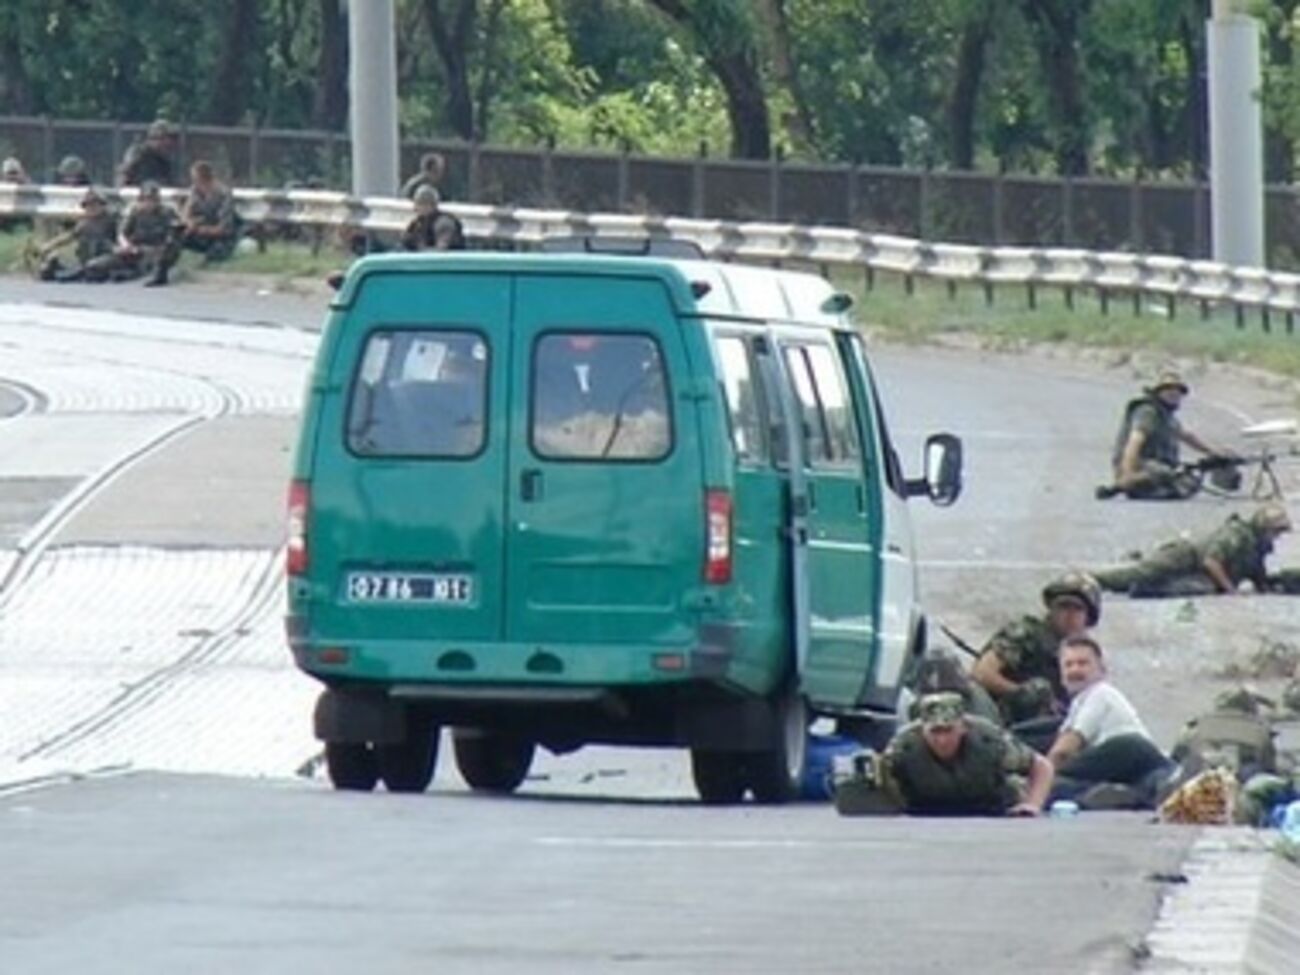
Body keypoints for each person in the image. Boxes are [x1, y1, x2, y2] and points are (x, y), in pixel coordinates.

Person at [1045, 636, 1173, 809]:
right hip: (1139, 773)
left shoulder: (1100, 693)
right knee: (1065, 787)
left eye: (1083, 663)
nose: (1075, 670)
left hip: (1129, 749)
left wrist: (1038, 777)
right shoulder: (1078, 704)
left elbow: (1063, 751)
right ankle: (1127, 794)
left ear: (1101, 670)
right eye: (1068, 665)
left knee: (1050, 782)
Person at [879, 692, 1054, 817]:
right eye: (935, 732)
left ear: (963, 727)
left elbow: (1041, 766)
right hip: (925, 811)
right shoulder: (904, 746)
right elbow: (882, 778)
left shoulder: (988, 740)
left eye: (948, 730)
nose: (942, 740)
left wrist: (1032, 805)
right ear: (922, 730)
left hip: (990, 809)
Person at [969, 572, 1102, 725]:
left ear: (1088, 617)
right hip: (1007, 721)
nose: (1069, 615)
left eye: (1078, 609)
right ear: (1052, 609)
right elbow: (982, 673)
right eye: (1063, 606)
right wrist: (1023, 693)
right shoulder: (1029, 633)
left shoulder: (1083, 651)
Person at [1093, 504, 1292, 597]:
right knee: (1140, 573)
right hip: (1186, 556)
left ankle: (1142, 588)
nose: (1276, 537)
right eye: (1275, 531)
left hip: (1200, 575)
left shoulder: (1256, 547)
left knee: (1195, 588)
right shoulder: (1237, 535)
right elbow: (1211, 561)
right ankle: (1090, 579)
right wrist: (1230, 590)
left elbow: (1259, 577)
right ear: (1263, 528)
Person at [1097, 370, 1234, 500]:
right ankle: (1130, 485)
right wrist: (1127, 475)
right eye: (1168, 389)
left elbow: (1186, 436)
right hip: (1139, 465)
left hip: (1156, 465)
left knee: (1187, 483)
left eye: (1178, 390)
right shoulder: (1148, 412)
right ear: (1158, 392)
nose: (1174, 393)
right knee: (1166, 475)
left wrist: (1213, 452)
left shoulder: (1166, 416)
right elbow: (1134, 444)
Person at [84, 181, 180, 286]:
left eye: (152, 200)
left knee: (149, 267)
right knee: (94, 266)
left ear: (158, 200)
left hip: (154, 252)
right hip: (132, 251)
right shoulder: (134, 212)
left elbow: (172, 237)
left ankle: (135, 274)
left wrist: (157, 250)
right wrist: (125, 246)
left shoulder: (167, 213)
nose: (148, 203)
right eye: (145, 199)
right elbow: (122, 233)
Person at [36, 187, 118, 282]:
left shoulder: (111, 221)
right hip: (85, 260)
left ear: (102, 205)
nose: (91, 208)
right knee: (52, 264)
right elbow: (69, 237)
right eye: (88, 205)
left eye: (94, 204)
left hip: (105, 258)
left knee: (92, 267)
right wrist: (48, 246)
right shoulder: (84, 224)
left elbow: (119, 242)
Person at [178, 160, 237, 261]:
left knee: (216, 252)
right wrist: (189, 223)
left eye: (195, 179)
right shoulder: (195, 190)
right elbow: (186, 212)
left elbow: (224, 228)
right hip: (199, 231)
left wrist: (201, 230)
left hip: (220, 237)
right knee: (177, 237)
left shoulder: (223, 194)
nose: (194, 182)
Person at [401, 185, 465, 252]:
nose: (415, 209)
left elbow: (440, 252)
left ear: (430, 205)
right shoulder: (418, 224)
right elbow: (405, 241)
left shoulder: (444, 224)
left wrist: (419, 248)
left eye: (419, 204)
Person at [118, 119, 178, 187]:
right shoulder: (138, 153)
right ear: (156, 138)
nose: (170, 142)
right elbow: (125, 174)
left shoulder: (164, 162)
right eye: (168, 138)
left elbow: (168, 184)